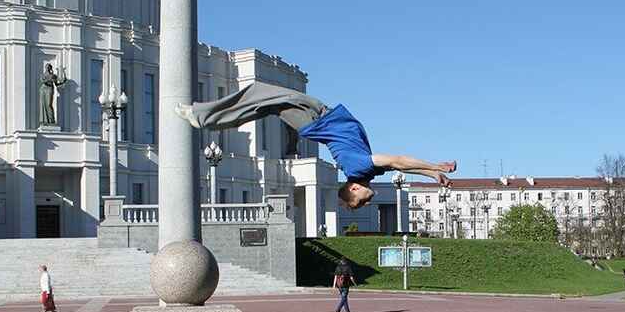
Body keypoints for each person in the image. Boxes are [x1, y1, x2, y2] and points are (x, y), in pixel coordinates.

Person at [176, 82, 456, 209]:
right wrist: (432, 172)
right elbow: (400, 163)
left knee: (260, 96)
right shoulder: (364, 172)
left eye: (363, 200)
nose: (370, 198)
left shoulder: (357, 167)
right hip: (315, 116)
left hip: (312, 119)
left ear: (354, 188)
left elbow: (398, 160)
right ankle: (203, 116)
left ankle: (202, 116)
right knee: (259, 97)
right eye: (367, 200)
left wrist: (434, 168)